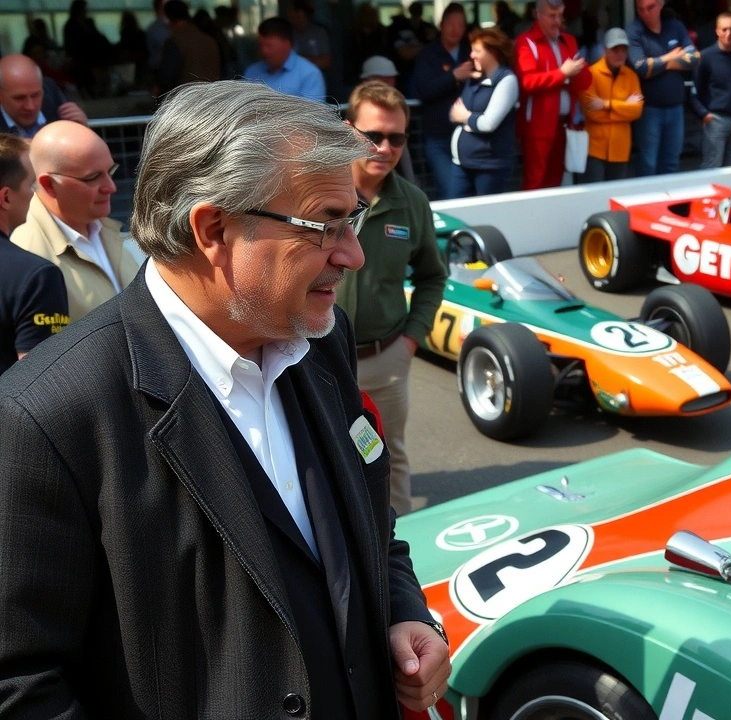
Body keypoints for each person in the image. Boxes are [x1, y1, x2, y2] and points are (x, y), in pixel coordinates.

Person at [0, 81, 451, 717]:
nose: (352, 253)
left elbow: (372, 525)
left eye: (351, 221)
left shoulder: (321, 339)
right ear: (213, 229)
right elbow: (22, 686)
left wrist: (405, 613)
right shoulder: (43, 418)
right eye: (325, 225)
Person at [338, 81, 445, 516]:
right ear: (348, 132)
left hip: (387, 360)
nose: (385, 147)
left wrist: (410, 341)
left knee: (388, 456)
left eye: (396, 138)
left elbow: (433, 277)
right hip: (315, 358)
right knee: (324, 457)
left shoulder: (413, 203)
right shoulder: (316, 193)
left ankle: (395, 554)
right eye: (373, 136)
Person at [12, 121, 138, 322]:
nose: (111, 187)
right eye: (93, 177)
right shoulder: (26, 254)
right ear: (49, 184)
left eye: (110, 171)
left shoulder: (106, 228)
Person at [0, 135, 67, 375]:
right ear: (5, 197)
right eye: (31, 185)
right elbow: (42, 382)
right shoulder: (37, 276)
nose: (35, 195)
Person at [515, 0, 592, 190]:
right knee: (535, 180)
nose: (557, 21)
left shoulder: (568, 40)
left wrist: (570, 75)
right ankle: (531, 220)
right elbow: (527, 82)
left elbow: (585, 81)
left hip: (565, 124)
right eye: (552, 16)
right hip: (537, 127)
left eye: (560, 15)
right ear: (538, 14)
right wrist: (563, 74)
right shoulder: (526, 43)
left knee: (555, 181)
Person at [627, 0, 698, 177]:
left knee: (671, 163)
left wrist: (658, 64)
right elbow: (642, 68)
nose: (645, 13)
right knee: (648, 164)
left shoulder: (675, 26)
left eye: (650, 7)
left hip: (675, 108)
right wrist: (670, 57)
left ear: (660, 4)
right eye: (640, 9)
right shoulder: (634, 31)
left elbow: (695, 58)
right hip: (650, 110)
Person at [411, 2, 473, 200]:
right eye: (451, 24)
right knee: (449, 190)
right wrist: (453, 76)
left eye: (461, 25)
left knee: (468, 192)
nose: (456, 30)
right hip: (438, 136)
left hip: (468, 135)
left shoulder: (471, 52)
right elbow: (424, 90)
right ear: (441, 24)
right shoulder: (428, 54)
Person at [449, 28, 519, 196]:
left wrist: (465, 117)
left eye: (477, 51)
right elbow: (453, 113)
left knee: (486, 217)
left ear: (493, 52)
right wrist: (470, 119)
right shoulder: (474, 79)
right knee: (456, 210)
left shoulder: (507, 80)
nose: (471, 55)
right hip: (461, 163)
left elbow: (488, 123)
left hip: (489, 166)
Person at [580, 27, 644, 182]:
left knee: (616, 197)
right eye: (615, 49)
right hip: (595, 149)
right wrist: (623, 108)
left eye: (624, 49)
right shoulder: (591, 74)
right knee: (594, 197)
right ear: (605, 50)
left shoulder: (631, 76)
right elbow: (592, 112)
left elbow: (636, 111)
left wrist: (606, 105)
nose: (620, 54)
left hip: (620, 148)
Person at [691, 12, 731, 169]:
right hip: (715, 120)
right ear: (717, 31)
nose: (728, 34)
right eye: (724, 29)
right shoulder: (706, 57)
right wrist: (704, 115)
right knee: (711, 166)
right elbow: (694, 92)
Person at [0, 54, 88, 138]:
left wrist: (82, 131)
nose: (30, 107)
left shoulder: (53, 99)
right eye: (19, 98)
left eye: (35, 95)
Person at [244, 16, 327, 102]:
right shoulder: (251, 72)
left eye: (269, 46)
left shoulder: (309, 74)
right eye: (261, 45)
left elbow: (313, 114)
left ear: (286, 45)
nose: (263, 51)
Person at [155, 0, 221, 95]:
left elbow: (166, 77)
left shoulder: (175, 41)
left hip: (186, 100)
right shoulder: (210, 40)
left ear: (168, 19)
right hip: (211, 98)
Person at [288, 0, 332, 75]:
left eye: (298, 17)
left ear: (307, 16)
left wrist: (302, 61)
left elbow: (326, 62)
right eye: (292, 18)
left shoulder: (319, 32)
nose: (295, 21)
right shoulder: (287, 33)